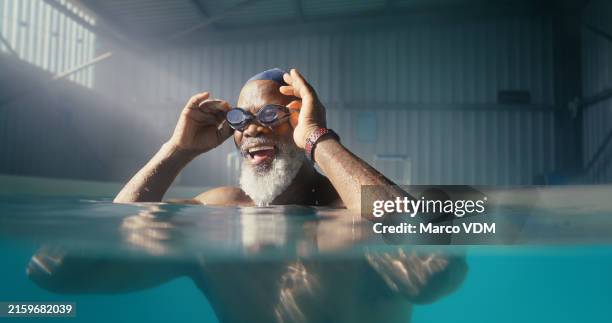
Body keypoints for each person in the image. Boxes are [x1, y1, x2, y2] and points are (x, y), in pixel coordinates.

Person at [28, 68, 467, 323]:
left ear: (299, 120)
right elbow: (57, 271)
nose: (252, 129)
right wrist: (176, 152)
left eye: (271, 115)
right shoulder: (218, 212)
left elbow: (435, 267)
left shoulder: (350, 214)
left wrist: (318, 139)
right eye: (241, 120)